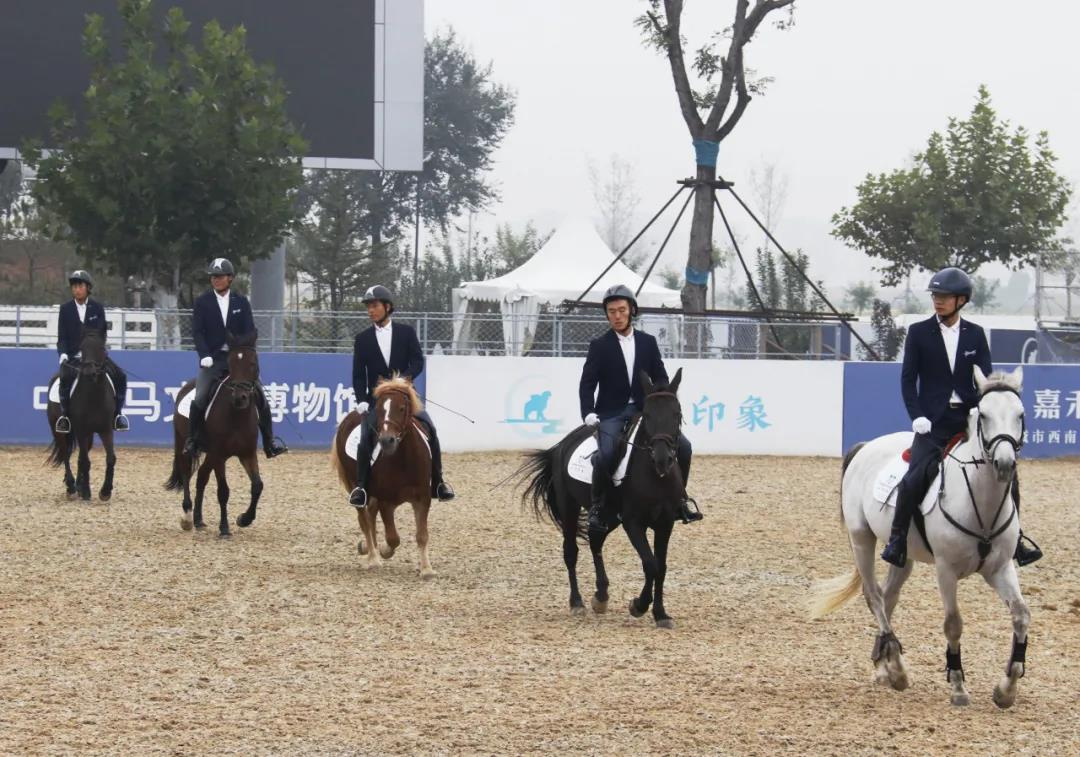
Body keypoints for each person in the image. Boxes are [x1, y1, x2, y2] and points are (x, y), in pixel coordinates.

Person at [880, 267, 1042, 567]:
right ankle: (897, 539)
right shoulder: (918, 332)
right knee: (915, 476)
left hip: (968, 421)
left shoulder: (975, 335)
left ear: (961, 300)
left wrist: (983, 410)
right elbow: (907, 380)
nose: (937, 301)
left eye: (944, 297)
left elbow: (986, 382)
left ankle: (1016, 541)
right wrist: (917, 416)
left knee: (1008, 474)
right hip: (933, 423)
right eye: (935, 296)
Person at [579, 284, 701, 534]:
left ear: (631, 310)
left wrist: (662, 397)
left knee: (685, 448)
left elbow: (661, 376)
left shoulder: (648, 342)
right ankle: (598, 507)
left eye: (621, 310)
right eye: (611, 311)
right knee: (606, 455)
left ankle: (680, 500)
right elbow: (587, 383)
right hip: (612, 411)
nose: (617, 315)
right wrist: (588, 412)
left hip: (645, 410)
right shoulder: (599, 345)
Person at [348, 285, 455, 508]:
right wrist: (362, 400)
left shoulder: (406, 332)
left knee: (430, 429)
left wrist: (403, 379)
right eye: (368, 307)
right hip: (378, 400)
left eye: (374, 306)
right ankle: (361, 488)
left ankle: (438, 482)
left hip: (405, 397)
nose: (370, 310)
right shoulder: (362, 339)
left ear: (387, 307)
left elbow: (418, 361)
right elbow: (359, 375)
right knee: (366, 435)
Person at [184, 258, 287, 459]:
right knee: (199, 397)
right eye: (213, 277)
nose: (216, 280)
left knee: (261, 398)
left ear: (230, 278)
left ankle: (269, 442)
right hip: (213, 359)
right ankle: (192, 440)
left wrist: (240, 348)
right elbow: (198, 332)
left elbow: (249, 331)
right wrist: (204, 355)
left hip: (237, 360)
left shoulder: (241, 302)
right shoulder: (203, 302)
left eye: (220, 276)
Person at [54, 269, 130, 434]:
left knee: (120, 376)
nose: (76, 289)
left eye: (80, 285)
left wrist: (99, 351)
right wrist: (63, 354)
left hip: (95, 356)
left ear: (88, 287)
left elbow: (102, 334)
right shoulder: (65, 309)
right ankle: (65, 416)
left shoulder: (97, 308)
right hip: (74, 357)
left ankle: (118, 414)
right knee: (65, 378)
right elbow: (62, 337)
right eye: (74, 286)